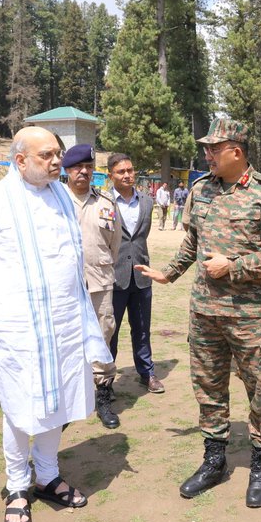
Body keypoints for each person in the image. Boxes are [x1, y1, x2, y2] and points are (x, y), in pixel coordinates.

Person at [0, 126, 111, 522]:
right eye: (46, 155)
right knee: (19, 405)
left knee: (56, 399)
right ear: (20, 160)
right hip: (17, 327)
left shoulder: (62, 195)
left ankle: (47, 475)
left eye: (57, 153)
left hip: (61, 321)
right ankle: (17, 485)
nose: (56, 161)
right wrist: (4, 292)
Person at [137, 118, 261, 508]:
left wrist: (235, 266)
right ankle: (214, 459)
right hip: (205, 312)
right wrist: (169, 273)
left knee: (259, 389)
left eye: (214, 148)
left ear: (236, 152)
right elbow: (192, 242)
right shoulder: (200, 190)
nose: (206, 154)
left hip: (250, 315)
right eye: (206, 148)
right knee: (208, 388)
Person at [62, 144, 123, 429]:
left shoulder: (106, 202)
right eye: (77, 167)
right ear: (67, 170)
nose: (83, 171)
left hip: (99, 281)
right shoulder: (55, 201)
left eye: (88, 166)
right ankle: (68, 402)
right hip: (64, 286)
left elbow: (115, 245)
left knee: (102, 337)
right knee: (65, 341)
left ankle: (103, 397)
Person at [108, 154, 163, 394]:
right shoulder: (103, 202)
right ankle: (106, 380)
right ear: (111, 175)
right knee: (110, 331)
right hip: (113, 277)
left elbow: (140, 237)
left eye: (130, 170)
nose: (127, 175)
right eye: (121, 171)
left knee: (142, 327)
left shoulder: (147, 201)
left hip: (141, 276)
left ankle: (147, 372)